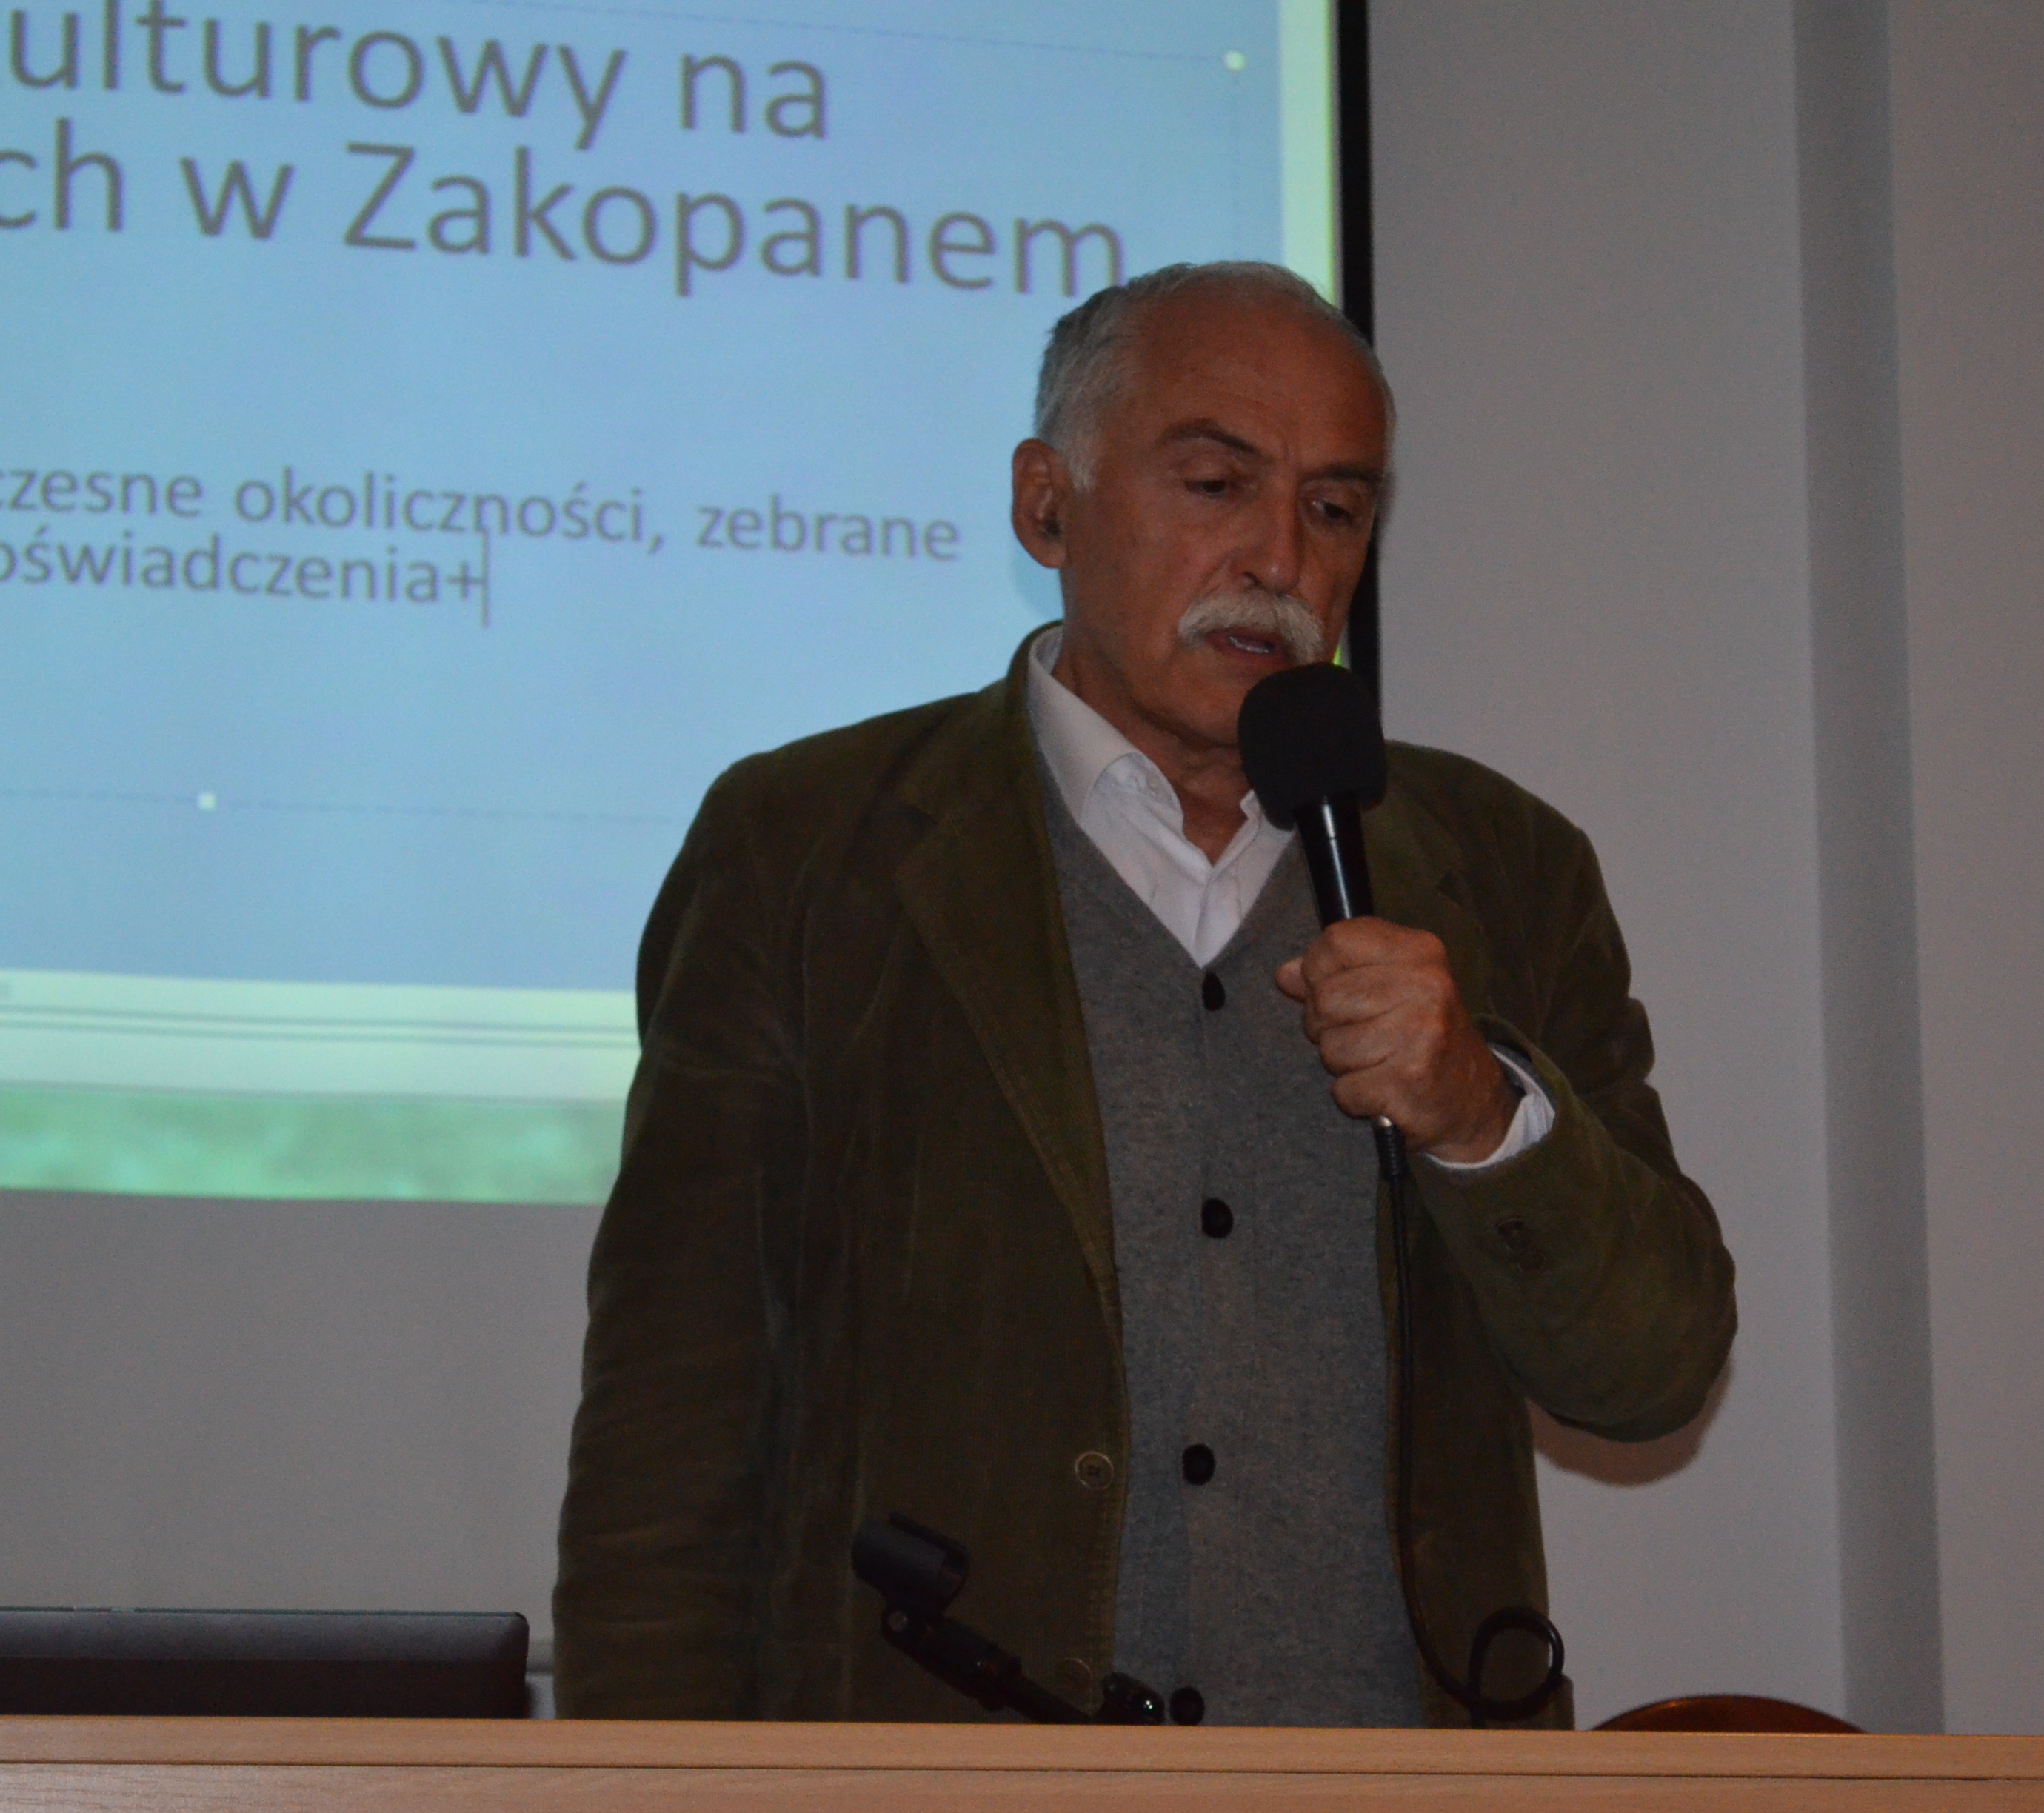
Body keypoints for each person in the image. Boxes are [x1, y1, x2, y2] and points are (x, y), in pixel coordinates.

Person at [553, 261, 1735, 1728]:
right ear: (1046, 504)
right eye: (1216, 484)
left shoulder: (1504, 867)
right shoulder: (804, 851)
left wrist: (1484, 1119)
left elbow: (1653, 1371)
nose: (1279, 558)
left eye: (1334, 508)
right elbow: (671, 1425)